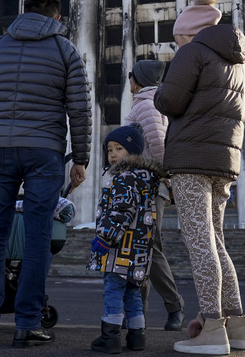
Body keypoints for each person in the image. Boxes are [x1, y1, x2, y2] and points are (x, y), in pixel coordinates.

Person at [0, 0, 92, 348]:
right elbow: (80, 108)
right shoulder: (64, 50)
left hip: (1, 150)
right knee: (37, 236)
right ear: (55, 18)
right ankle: (26, 324)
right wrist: (79, 158)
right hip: (45, 151)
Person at [154, 0, 245, 355]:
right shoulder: (240, 62)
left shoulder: (191, 52)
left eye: (177, 35)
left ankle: (212, 328)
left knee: (199, 243)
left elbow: (170, 102)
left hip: (191, 160)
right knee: (216, 241)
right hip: (224, 161)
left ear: (188, 31)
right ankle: (237, 325)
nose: (175, 41)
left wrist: (159, 91)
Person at [88, 125, 164, 354]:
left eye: (119, 148)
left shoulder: (124, 178)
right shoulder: (147, 179)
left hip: (119, 248)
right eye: (109, 149)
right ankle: (136, 336)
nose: (112, 154)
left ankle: (110, 337)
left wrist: (104, 237)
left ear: (133, 152)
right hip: (139, 251)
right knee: (132, 292)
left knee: (113, 289)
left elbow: (121, 209)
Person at [123, 59, 185, 331]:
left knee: (150, 247)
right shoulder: (146, 103)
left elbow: (159, 148)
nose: (128, 81)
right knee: (141, 248)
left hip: (149, 185)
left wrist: (167, 180)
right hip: (140, 185)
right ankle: (139, 313)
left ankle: (174, 307)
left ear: (138, 80)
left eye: (130, 76)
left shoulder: (147, 105)